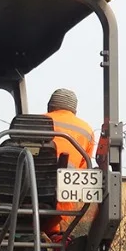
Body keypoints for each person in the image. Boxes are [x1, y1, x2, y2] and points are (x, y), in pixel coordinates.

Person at [45, 88, 100, 239]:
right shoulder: (86, 130)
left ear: (50, 107)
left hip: (24, 199)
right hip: (62, 205)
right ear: (74, 111)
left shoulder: (35, 122)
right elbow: (83, 171)